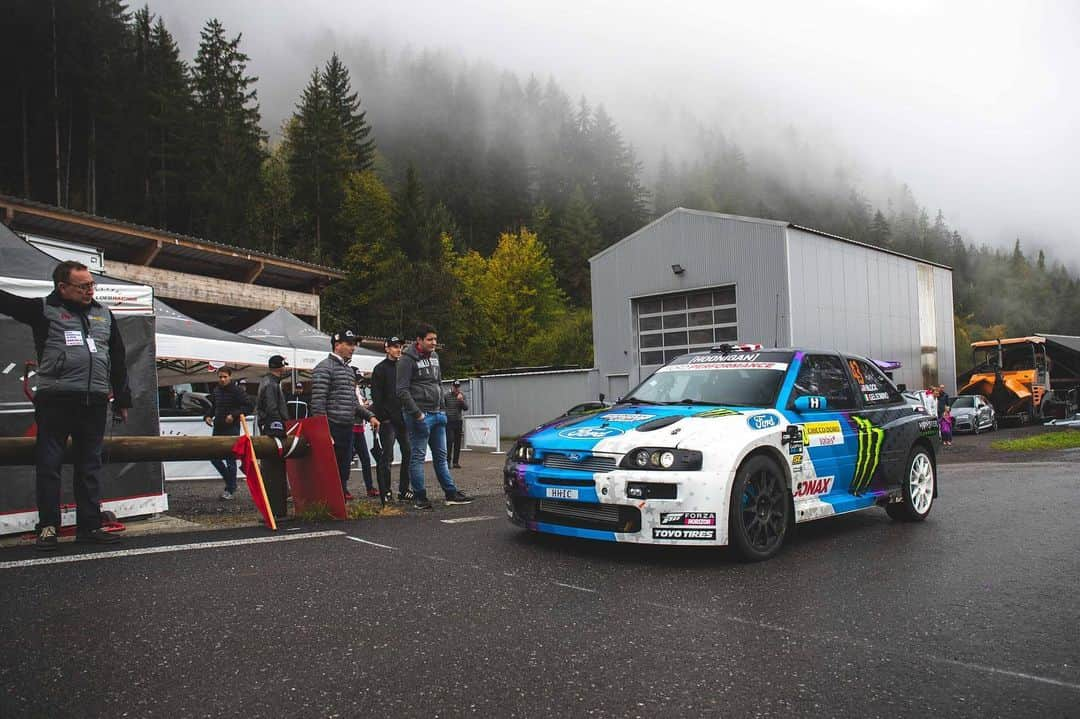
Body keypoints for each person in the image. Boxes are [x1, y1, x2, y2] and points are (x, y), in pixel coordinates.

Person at [0, 260, 131, 550]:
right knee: (49, 465)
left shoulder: (104, 314)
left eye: (91, 285)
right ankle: (48, 527)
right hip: (55, 401)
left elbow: (118, 358)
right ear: (62, 287)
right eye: (83, 286)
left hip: (94, 401)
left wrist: (123, 399)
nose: (89, 291)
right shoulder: (43, 309)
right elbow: (7, 302)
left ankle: (90, 526)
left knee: (90, 466)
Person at [396, 323, 473, 509]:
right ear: (419, 340)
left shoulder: (435, 357)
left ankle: (450, 492)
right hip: (420, 415)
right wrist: (418, 415)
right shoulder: (406, 360)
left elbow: (439, 383)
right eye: (430, 339)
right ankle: (420, 497)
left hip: (438, 414)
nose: (434, 343)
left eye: (435, 339)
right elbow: (402, 390)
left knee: (441, 456)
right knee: (418, 456)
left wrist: (443, 410)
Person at [310, 329, 379, 501]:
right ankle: (327, 504)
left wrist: (369, 416)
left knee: (343, 468)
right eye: (349, 344)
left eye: (354, 344)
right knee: (329, 468)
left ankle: (338, 504)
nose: (353, 348)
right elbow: (318, 403)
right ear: (337, 345)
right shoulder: (323, 368)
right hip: (332, 426)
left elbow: (353, 403)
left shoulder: (348, 371)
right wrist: (323, 431)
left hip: (347, 426)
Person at [371, 336, 412, 504]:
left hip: (404, 419)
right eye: (395, 346)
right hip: (388, 421)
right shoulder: (379, 369)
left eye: (400, 346)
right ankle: (386, 492)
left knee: (408, 453)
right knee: (386, 457)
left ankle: (404, 490)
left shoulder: (404, 367)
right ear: (387, 348)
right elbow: (376, 396)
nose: (398, 349)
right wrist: (383, 417)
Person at [205, 367, 253, 500]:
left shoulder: (237, 391)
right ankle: (231, 483)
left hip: (231, 428)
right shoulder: (216, 390)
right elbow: (214, 407)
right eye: (220, 377)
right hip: (218, 427)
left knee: (230, 459)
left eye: (225, 377)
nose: (222, 379)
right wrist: (208, 416)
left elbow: (249, 406)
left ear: (230, 377)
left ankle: (230, 488)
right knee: (214, 457)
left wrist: (234, 414)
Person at [352, 371, 377, 497]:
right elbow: (356, 407)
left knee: (365, 459)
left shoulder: (358, 391)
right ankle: (343, 489)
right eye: (356, 379)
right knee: (346, 460)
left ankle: (369, 487)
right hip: (350, 427)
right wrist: (368, 410)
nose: (358, 382)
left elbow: (360, 406)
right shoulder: (348, 391)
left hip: (359, 428)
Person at [256, 355, 290, 438]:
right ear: (280, 367)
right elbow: (271, 408)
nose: (285, 368)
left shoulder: (268, 381)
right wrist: (278, 424)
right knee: (274, 449)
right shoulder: (271, 384)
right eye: (283, 365)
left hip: (268, 422)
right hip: (272, 425)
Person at [445, 380, 468, 468]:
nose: (456, 388)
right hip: (449, 421)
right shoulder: (446, 396)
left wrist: (461, 400)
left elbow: (466, 408)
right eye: (455, 387)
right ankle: (447, 461)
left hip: (458, 421)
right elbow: (442, 407)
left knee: (458, 442)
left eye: (458, 387)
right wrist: (446, 414)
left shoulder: (461, 395)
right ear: (452, 386)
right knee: (449, 441)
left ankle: (455, 462)